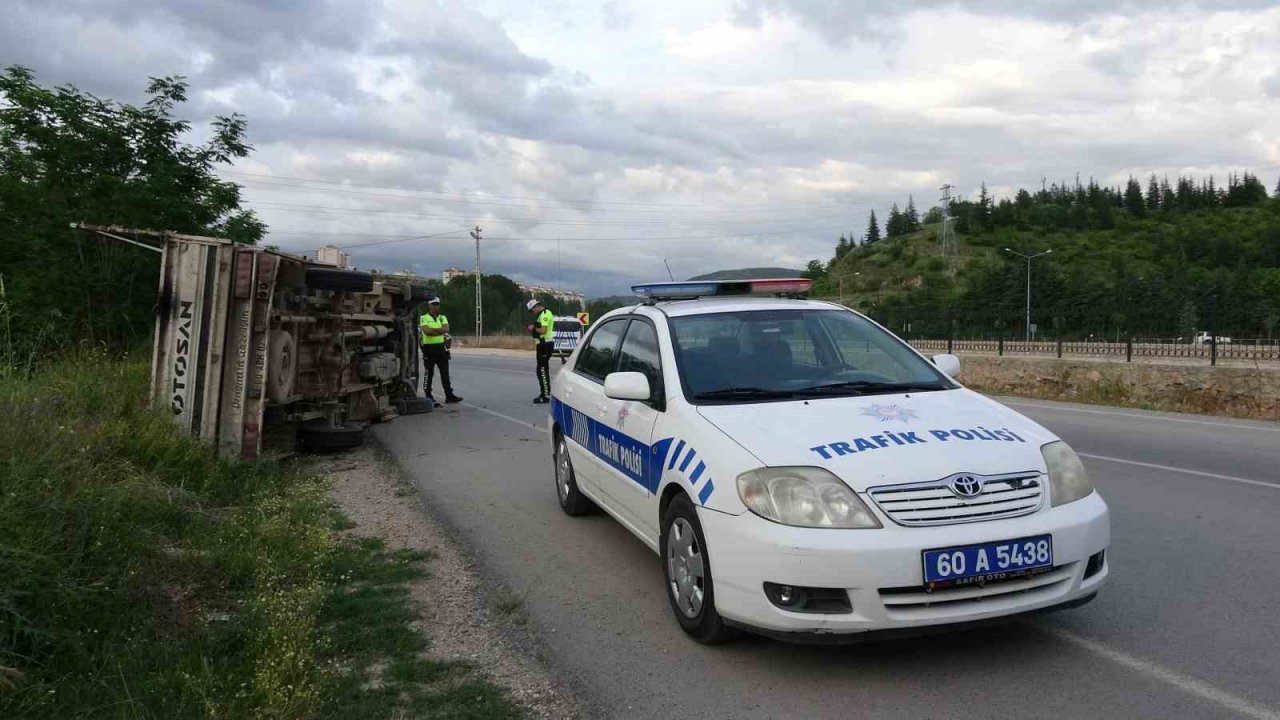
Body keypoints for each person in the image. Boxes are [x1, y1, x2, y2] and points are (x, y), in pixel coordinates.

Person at [420, 297, 462, 406]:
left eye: (438, 304)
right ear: (429, 305)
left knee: (445, 373)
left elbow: (446, 329)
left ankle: (449, 395)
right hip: (429, 349)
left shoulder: (442, 318)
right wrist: (440, 331)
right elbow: (427, 331)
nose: (436, 306)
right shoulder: (424, 318)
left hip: (441, 348)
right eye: (434, 304)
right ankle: (428, 395)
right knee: (429, 373)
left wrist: (435, 331)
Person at [527, 299, 555, 404]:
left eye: (531, 310)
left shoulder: (545, 314)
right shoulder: (541, 315)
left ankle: (546, 395)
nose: (532, 312)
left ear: (536, 306)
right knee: (540, 370)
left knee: (542, 370)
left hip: (545, 345)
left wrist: (533, 328)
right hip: (542, 345)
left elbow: (544, 330)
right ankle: (544, 393)